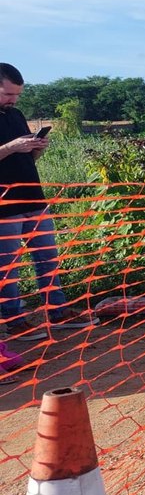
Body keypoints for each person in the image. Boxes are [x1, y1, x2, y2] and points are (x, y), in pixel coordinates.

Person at [0, 63, 98, 342]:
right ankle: (15, 322)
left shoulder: (16, 115)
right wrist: (11, 147)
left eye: (17, 95)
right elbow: (10, 151)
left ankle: (58, 312)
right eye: (8, 94)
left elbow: (25, 159)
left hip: (34, 198)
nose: (14, 100)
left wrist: (35, 149)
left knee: (47, 258)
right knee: (8, 267)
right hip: (4, 205)